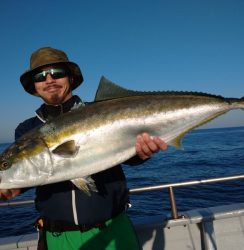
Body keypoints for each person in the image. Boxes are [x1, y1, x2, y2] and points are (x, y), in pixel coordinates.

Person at [0, 47, 167, 250]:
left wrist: (143, 152)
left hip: (113, 228)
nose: (49, 80)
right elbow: (33, 170)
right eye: (40, 76)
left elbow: (128, 155)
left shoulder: (105, 108)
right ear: (34, 86)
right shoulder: (26, 130)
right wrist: (12, 186)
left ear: (70, 78)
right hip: (58, 237)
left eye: (57, 73)